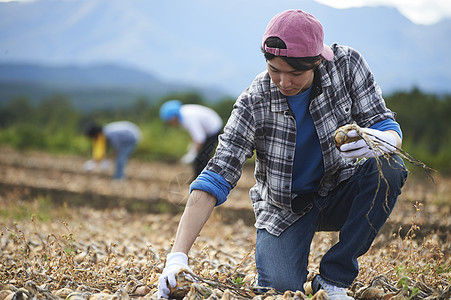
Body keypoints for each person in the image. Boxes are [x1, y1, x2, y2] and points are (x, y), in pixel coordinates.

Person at [158, 9, 408, 300]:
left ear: (318, 61)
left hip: (341, 189)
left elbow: (383, 122)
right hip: (284, 209)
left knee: (390, 166)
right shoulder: (253, 102)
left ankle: (333, 278)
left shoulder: (347, 66)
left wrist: (386, 140)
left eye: (296, 73)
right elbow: (216, 174)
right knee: (280, 290)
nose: (284, 82)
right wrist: (177, 256)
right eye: (274, 69)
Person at [159, 100, 223, 178]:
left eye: (169, 121)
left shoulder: (188, 118)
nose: (170, 124)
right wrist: (192, 147)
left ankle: (201, 179)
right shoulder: (182, 116)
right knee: (199, 156)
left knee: (202, 157)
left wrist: (192, 154)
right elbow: (194, 134)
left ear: (173, 117)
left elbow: (200, 138)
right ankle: (198, 178)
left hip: (213, 128)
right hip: (206, 128)